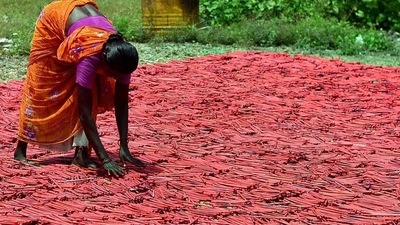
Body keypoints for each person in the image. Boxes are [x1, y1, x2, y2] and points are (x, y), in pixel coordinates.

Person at [14, 0, 145, 177]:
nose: (113, 78)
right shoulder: (90, 55)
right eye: (112, 73)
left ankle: (81, 153)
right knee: (41, 87)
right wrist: (105, 159)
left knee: (95, 89)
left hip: (82, 27)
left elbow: (121, 102)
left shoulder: (122, 57)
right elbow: (84, 111)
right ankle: (20, 150)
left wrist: (124, 145)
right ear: (103, 60)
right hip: (53, 21)